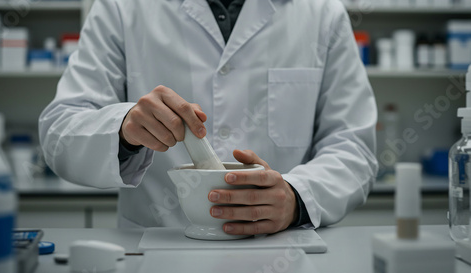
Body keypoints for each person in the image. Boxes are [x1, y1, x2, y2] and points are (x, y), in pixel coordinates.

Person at [39, 0, 378, 234]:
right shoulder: (122, 7)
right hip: (159, 249)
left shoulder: (322, 11)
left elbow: (354, 147)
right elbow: (59, 132)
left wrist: (296, 196)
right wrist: (124, 129)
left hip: (279, 248)